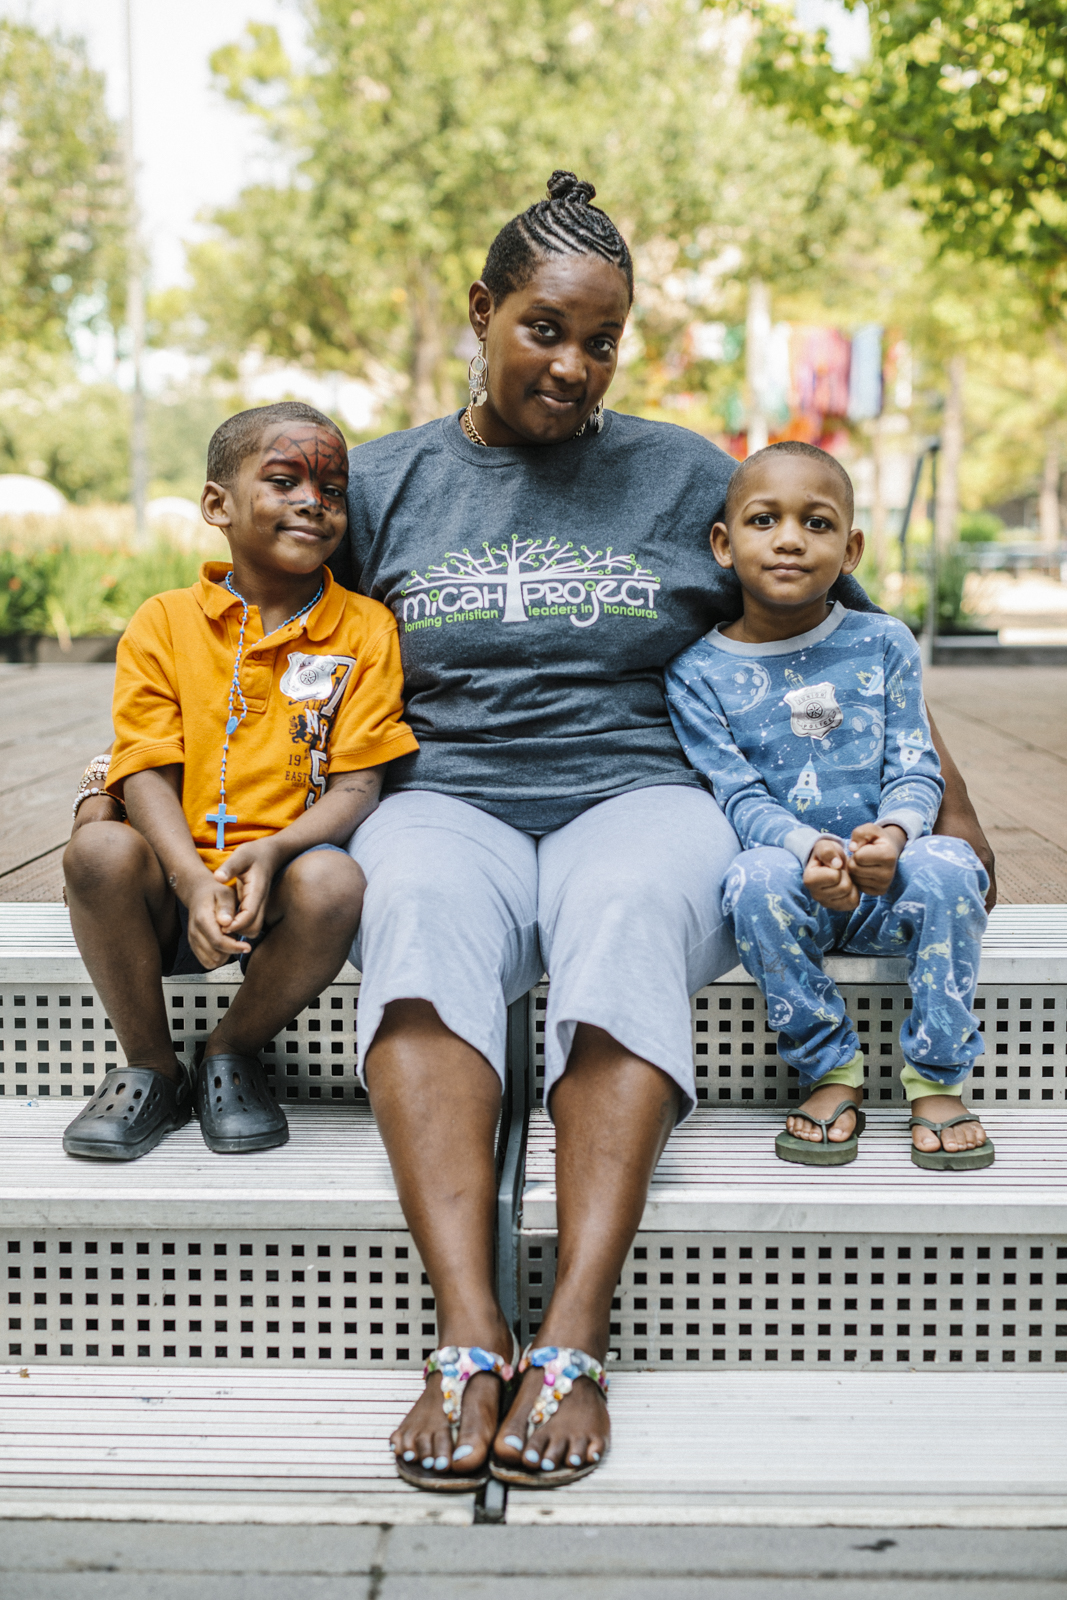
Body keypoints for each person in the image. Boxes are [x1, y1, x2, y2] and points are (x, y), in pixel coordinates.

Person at [328, 172, 996, 1492]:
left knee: (629, 912)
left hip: (641, 790)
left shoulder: (687, 471)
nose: (573, 366)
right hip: (443, 794)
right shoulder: (384, 483)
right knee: (409, 912)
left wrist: (949, 819)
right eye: (543, 329)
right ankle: (466, 1335)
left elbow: (846, 641)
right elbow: (272, 642)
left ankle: (572, 1334)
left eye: (600, 340)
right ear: (480, 312)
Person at [61, 401, 417, 1161]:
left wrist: (277, 851)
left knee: (335, 882)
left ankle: (228, 1050)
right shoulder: (161, 621)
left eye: (331, 488)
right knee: (97, 854)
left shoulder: (365, 628)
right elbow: (144, 764)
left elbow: (358, 787)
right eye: (284, 479)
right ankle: (151, 1066)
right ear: (217, 504)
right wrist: (190, 880)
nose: (312, 502)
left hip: (279, 895)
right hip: (168, 886)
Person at [665, 441, 992, 1171]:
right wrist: (802, 850)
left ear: (849, 551)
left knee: (953, 864)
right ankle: (830, 1070)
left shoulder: (881, 642)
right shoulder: (697, 673)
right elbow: (737, 793)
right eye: (762, 520)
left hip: (891, 880)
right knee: (748, 879)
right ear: (723, 543)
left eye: (815, 524)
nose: (788, 538)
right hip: (796, 889)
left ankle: (936, 1077)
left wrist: (900, 836)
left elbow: (914, 761)